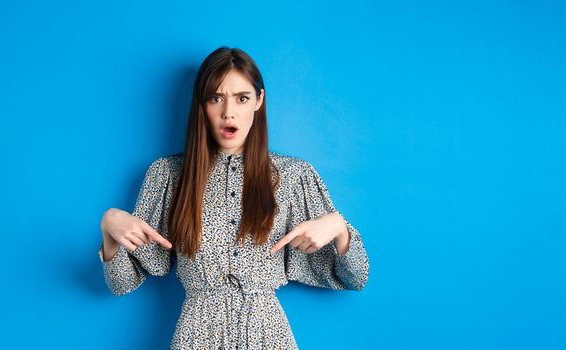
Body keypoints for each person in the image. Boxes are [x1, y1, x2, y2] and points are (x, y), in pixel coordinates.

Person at [98, 46, 370, 349]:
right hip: (196, 335)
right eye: (216, 98)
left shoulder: (295, 176)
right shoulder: (168, 175)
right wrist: (109, 227)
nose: (229, 112)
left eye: (242, 98)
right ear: (202, 105)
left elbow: (356, 278)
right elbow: (121, 284)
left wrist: (340, 227)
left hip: (268, 335)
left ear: (259, 101)